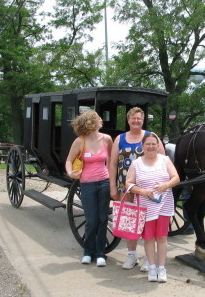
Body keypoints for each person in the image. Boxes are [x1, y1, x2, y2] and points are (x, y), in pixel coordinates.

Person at [109, 107, 165, 271]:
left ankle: (149, 258)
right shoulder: (120, 139)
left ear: (143, 120)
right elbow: (112, 164)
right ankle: (132, 255)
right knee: (129, 221)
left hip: (147, 188)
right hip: (125, 187)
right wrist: (112, 186)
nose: (136, 121)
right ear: (128, 120)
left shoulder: (151, 137)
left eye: (139, 119)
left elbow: (163, 160)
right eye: (133, 118)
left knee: (149, 222)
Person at [125, 132, 180, 282]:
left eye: (153, 144)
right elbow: (128, 184)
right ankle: (152, 267)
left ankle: (162, 268)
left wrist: (166, 185)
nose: (150, 147)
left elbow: (176, 177)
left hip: (163, 205)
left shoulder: (165, 160)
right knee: (148, 238)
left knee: (162, 238)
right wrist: (141, 191)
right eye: (147, 144)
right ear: (142, 146)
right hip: (145, 207)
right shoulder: (136, 163)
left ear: (158, 146)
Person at [65, 110, 113, 267]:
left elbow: (111, 162)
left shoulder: (107, 139)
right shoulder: (80, 141)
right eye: (99, 119)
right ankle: (87, 251)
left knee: (102, 219)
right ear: (92, 122)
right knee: (91, 220)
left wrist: (113, 182)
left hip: (104, 182)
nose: (101, 121)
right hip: (87, 183)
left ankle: (100, 253)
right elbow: (69, 160)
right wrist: (70, 173)